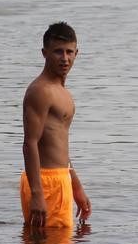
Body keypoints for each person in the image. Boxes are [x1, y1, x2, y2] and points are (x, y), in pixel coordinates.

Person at [21, 22, 92, 231]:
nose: (64, 58)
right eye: (58, 52)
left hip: (60, 179)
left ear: (77, 53)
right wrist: (37, 194)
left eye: (69, 52)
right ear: (44, 53)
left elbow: (58, 145)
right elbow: (30, 143)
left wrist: (75, 186)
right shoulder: (40, 91)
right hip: (45, 182)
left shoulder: (62, 92)